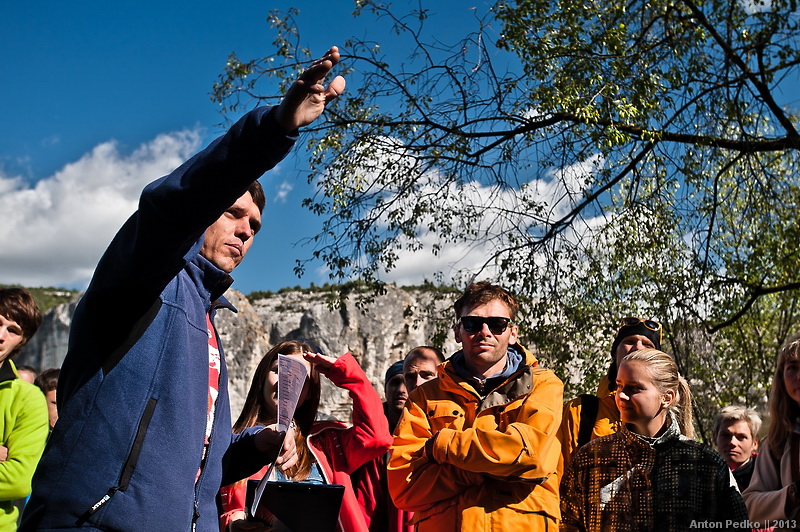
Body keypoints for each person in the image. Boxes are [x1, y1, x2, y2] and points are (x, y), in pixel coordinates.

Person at [20, 47, 346, 532]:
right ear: (204, 214)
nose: (244, 231)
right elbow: (172, 206)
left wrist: (252, 447)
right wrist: (273, 129)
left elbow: (190, 463)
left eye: (255, 226)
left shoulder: (210, 324)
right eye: (232, 214)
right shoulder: (143, 278)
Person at [388, 281, 564, 530]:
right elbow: (405, 488)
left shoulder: (544, 384)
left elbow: (531, 456)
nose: (484, 331)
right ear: (458, 332)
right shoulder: (424, 397)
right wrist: (494, 465)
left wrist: (442, 446)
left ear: (512, 333)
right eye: (472, 324)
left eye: (497, 324)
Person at [560, 348, 748, 531]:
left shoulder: (707, 465)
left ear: (666, 397)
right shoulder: (590, 458)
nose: (621, 395)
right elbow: (567, 524)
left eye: (635, 388)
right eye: (619, 385)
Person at [218, 340, 392, 532]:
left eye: (300, 377)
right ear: (261, 378)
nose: (286, 382)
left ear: (310, 392)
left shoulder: (327, 441)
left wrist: (347, 375)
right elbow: (208, 505)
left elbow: (377, 438)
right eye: (278, 370)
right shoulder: (232, 442)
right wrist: (232, 524)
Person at [557, 317, 662, 476]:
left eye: (647, 345)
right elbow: (556, 478)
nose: (638, 347)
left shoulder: (670, 417)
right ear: (614, 353)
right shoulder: (580, 412)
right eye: (629, 341)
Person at [0, 288, 49, 531]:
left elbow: (17, 481)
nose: (1, 335)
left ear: (22, 341)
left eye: (13, 331)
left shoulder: (28, 398)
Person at [742, 335, 800, 531]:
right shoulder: (779, 441)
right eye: (793, 367)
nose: (799, 376)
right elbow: (750, 508)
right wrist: (792, 494)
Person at [712, 405, 762, 491]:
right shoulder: (702, 475)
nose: (732, 442)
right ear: (715, 439)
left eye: (741, 437)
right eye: (725, 436)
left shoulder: (766, 475)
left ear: (755, 443)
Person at [384, 361, 408, 433]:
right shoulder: (369, 424)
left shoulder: (429, 427)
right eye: (395, 383)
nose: (401, 390)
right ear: (385, 389)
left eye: (407, 384)